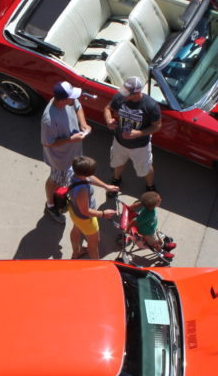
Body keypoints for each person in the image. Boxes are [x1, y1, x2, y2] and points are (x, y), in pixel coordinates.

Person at [41, 82, 92, 222]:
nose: (74, 99)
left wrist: (83, 123)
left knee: (63, 179)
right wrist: (70, 139)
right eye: (71, 97)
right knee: (55, 181)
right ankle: (51, 205)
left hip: (73, 150)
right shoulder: (49, 119)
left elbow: (78, 106)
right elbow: (47, 142)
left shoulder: (69, 102)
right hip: (60, 159)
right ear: (63, 100)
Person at [104, 75, 162, 195]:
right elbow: (108, 108)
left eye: (127, 93)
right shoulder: (120, 97)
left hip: (140, 146)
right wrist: (109, 120)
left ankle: (150, 187)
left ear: (137, 93)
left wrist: (139, 133)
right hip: (119, 141)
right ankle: (116, 180)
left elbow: (157, 126)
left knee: (145, 168)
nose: (123, 95)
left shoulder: (151, 106)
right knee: (118, 162)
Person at [68, 156, 119, 259]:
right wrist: (103, 214)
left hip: (74, 210)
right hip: (86, 219)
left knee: (76, 229)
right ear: (85, 174)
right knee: (94, 243)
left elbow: (89, 178)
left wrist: (106, 186)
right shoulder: (82, 190)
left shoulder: (72, 170)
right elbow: (85, 211)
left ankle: (76, 252)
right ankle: (95, 263)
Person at [128, 190, 175, 258]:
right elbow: (134, 221)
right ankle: (162, 252)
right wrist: (127, 230)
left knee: (157, 236)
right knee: (154, 243)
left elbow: (131, 207)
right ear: (153, 206)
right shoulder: (147, 214)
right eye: (159, 200)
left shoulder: (149, 208)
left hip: (150, 227)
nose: (160, 199)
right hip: (146, 233)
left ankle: (164, 245)